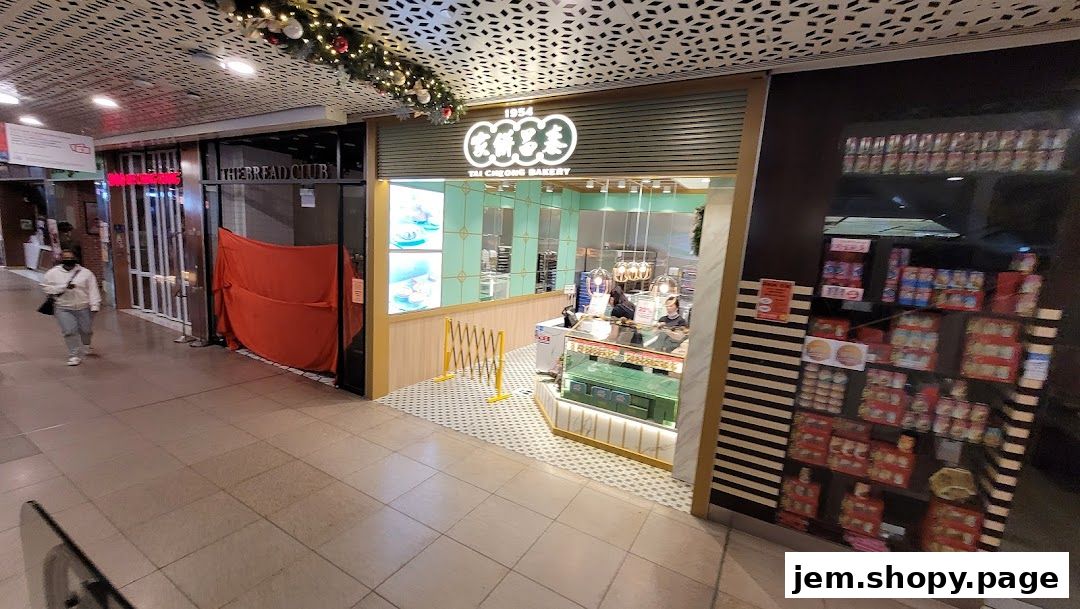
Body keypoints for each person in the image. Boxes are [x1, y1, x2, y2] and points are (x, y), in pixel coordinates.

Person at [40, 250, 100, 366]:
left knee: (86, 330)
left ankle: (86, 344)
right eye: (66, 257)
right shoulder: (52, 273)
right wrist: (63, 287)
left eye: (71, 257)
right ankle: (74, 355)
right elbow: (46, 288)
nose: (69, 260)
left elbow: (93, 289)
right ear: (61, 259)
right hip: (63, 307)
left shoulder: (86, 273)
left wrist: (95, 305)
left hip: (83, 306)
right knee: (69, 331)